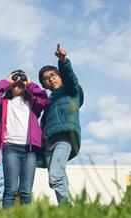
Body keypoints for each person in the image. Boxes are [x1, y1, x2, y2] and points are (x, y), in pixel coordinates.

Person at [0, 70, 49, 208]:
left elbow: (44, 100)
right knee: (11, 189)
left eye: (21, 81)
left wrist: (31, 84)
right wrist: (6, 82)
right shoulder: (3, 102)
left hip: (29, 150)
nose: (18, 83)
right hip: (11, 148)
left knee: (26, 191)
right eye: (15, 80)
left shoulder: (32, 103)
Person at [38, 44, 84, 205]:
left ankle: (66, 208)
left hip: (64, 139)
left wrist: (63, 61)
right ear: (44, 85)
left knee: (55, 176)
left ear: (60, 76)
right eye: (46, 79)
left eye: (53, 75)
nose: (50, 79)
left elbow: (71, 78)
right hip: (48, 143)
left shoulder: (71, 91)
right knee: (60, 177)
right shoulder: (47, 102)